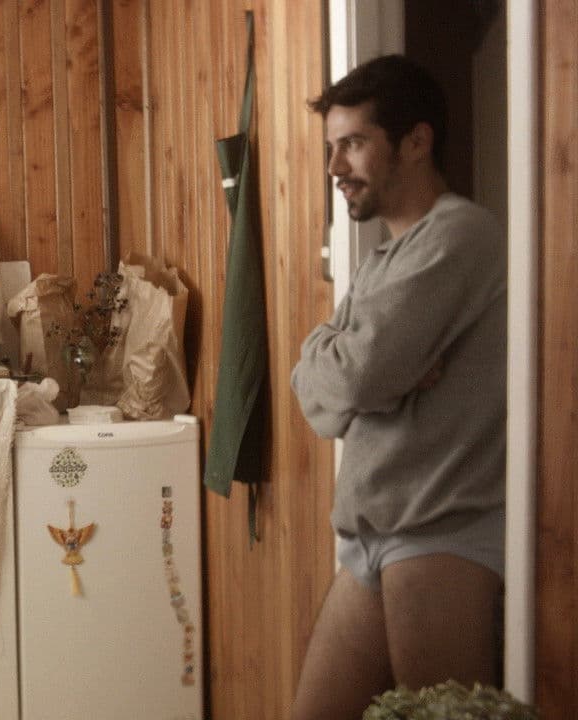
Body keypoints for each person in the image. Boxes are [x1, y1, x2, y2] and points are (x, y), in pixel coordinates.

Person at [289, 54, 506, 719]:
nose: (335, 167)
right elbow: (319, 388)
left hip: (437, 535)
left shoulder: (460, 234)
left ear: (416, 141)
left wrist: (360, 370)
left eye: (353, 143)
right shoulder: (384, 259)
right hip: (370, 537)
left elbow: (358, 374)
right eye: (332, 147)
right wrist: (351, 365)